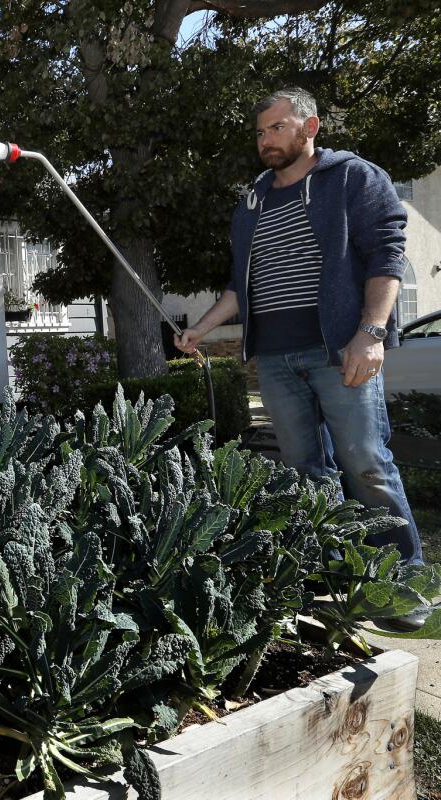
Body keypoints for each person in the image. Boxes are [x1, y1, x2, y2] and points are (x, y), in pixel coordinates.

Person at [175, 86, 430, 630]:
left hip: (338, 349)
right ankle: (335, 570)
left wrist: (371, 331)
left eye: (276, 128)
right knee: (304, 472)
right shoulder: (253, 201)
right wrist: (199, 328)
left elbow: (387, 256)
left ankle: (401, 580)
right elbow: (241, 286)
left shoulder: (353, 178)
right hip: (274, 356)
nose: (265, 140)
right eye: (260, 132)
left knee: (365, 460)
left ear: (309, 127)